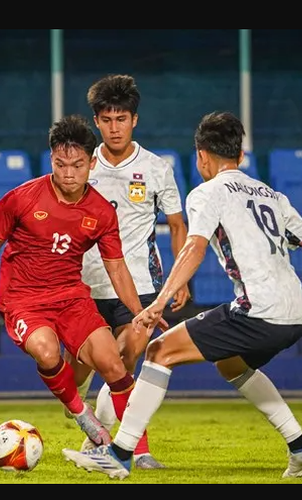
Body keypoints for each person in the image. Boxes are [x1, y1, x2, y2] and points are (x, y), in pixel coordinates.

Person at [61, 111, 302, 480]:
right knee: (231, 364)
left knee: (158, 351)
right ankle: (301, 446)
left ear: (202, 156)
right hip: (294, 314)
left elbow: (193, 248)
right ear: (241, 156)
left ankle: (120, 455)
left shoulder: (207, 192)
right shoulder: (272, 195)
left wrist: (158, 301)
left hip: (257, 311)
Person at [0, 114, 167, 449]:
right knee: (47, 351)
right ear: (50, 158)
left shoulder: (100, 212)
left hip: (71, 298)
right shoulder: (21, 199)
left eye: (77, 165)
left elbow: (117, 267)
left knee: (113, 363)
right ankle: (82, 414)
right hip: (23, 300)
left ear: (91, 163)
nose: (68, 173)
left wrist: (139, 311)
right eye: (60, 164)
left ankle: (140, 451)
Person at [60, 74, 191, 469]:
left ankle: (135, 448)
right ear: (96, 122)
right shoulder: (81, 165)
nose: (114, 126)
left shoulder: (156, 168)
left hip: (141, 284)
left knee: (127, 358)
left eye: (121, 118)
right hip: (86, 284)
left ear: (134, 120)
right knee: (91, 367)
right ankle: (84, 398)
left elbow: (177, 225)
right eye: (106, 119)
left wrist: (179, 281)